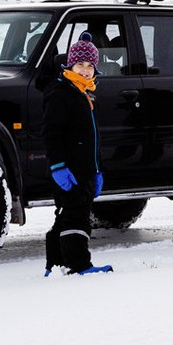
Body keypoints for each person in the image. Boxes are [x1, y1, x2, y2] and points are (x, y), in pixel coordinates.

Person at [43, 32, 112, 275]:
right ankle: (79, 264)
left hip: (86, 170)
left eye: (89, 65)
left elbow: (93, 139)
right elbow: (52, 134)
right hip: (70, 170)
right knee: (77, 217)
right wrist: (58, 167)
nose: (84, 70)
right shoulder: (62, 93)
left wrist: (98, 170)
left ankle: (56, 264)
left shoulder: (85, 94)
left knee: (65, 214)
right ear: (70, 65)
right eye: (80, 64)